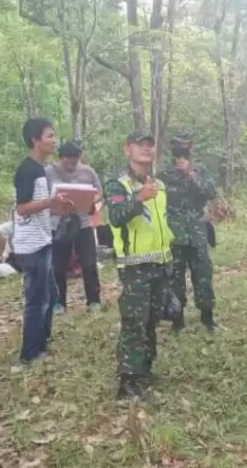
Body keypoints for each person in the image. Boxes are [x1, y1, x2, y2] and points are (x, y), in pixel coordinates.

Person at [105, 129, 174, 399]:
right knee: (134, 321)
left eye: (150, 144)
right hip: (135, 266)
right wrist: (138, 198)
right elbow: (117, 216)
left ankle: (144, 368)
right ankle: (128, 381)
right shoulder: (118, 185)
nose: (146, 149)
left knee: (151, 320)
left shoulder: (160, 184)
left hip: (160, 262)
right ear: (128, 149)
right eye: (140, 145)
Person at [13, 117, 71, 363]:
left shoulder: (41, 170)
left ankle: (42, 342)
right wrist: (51, 202)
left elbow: (39, 207)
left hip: (43, 239)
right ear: (35, 140)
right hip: (31, 245)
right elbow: (22, 208)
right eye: (49, 136)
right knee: (37, 300)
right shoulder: (28, 169)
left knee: (50, 293)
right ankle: (30, 354)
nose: (54, 140)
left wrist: (60, 208)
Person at [157, 132, 218, 331]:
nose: (181, 151)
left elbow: (210, 192)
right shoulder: (163, 174)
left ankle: (207, 318)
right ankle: (177, 319)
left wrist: (191, 173)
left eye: (185, 147)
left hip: (197, 233)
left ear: (191, 148)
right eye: (178, 147)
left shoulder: (200, 170)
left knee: (203, 276)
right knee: (175, 278)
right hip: (174, 234)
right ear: (172, 149)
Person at [45, 141, 103, 313]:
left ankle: (94, 300)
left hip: (83, 223)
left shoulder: (88, 171)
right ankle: (58, 302)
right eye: (67, 162)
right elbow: (42, 196)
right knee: (58, 265)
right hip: (58, 224)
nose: (70, 165)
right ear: (60, 158)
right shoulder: (48, 173)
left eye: (74, 161)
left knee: (89, 264)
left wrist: (92, 202)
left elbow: (99, 193)